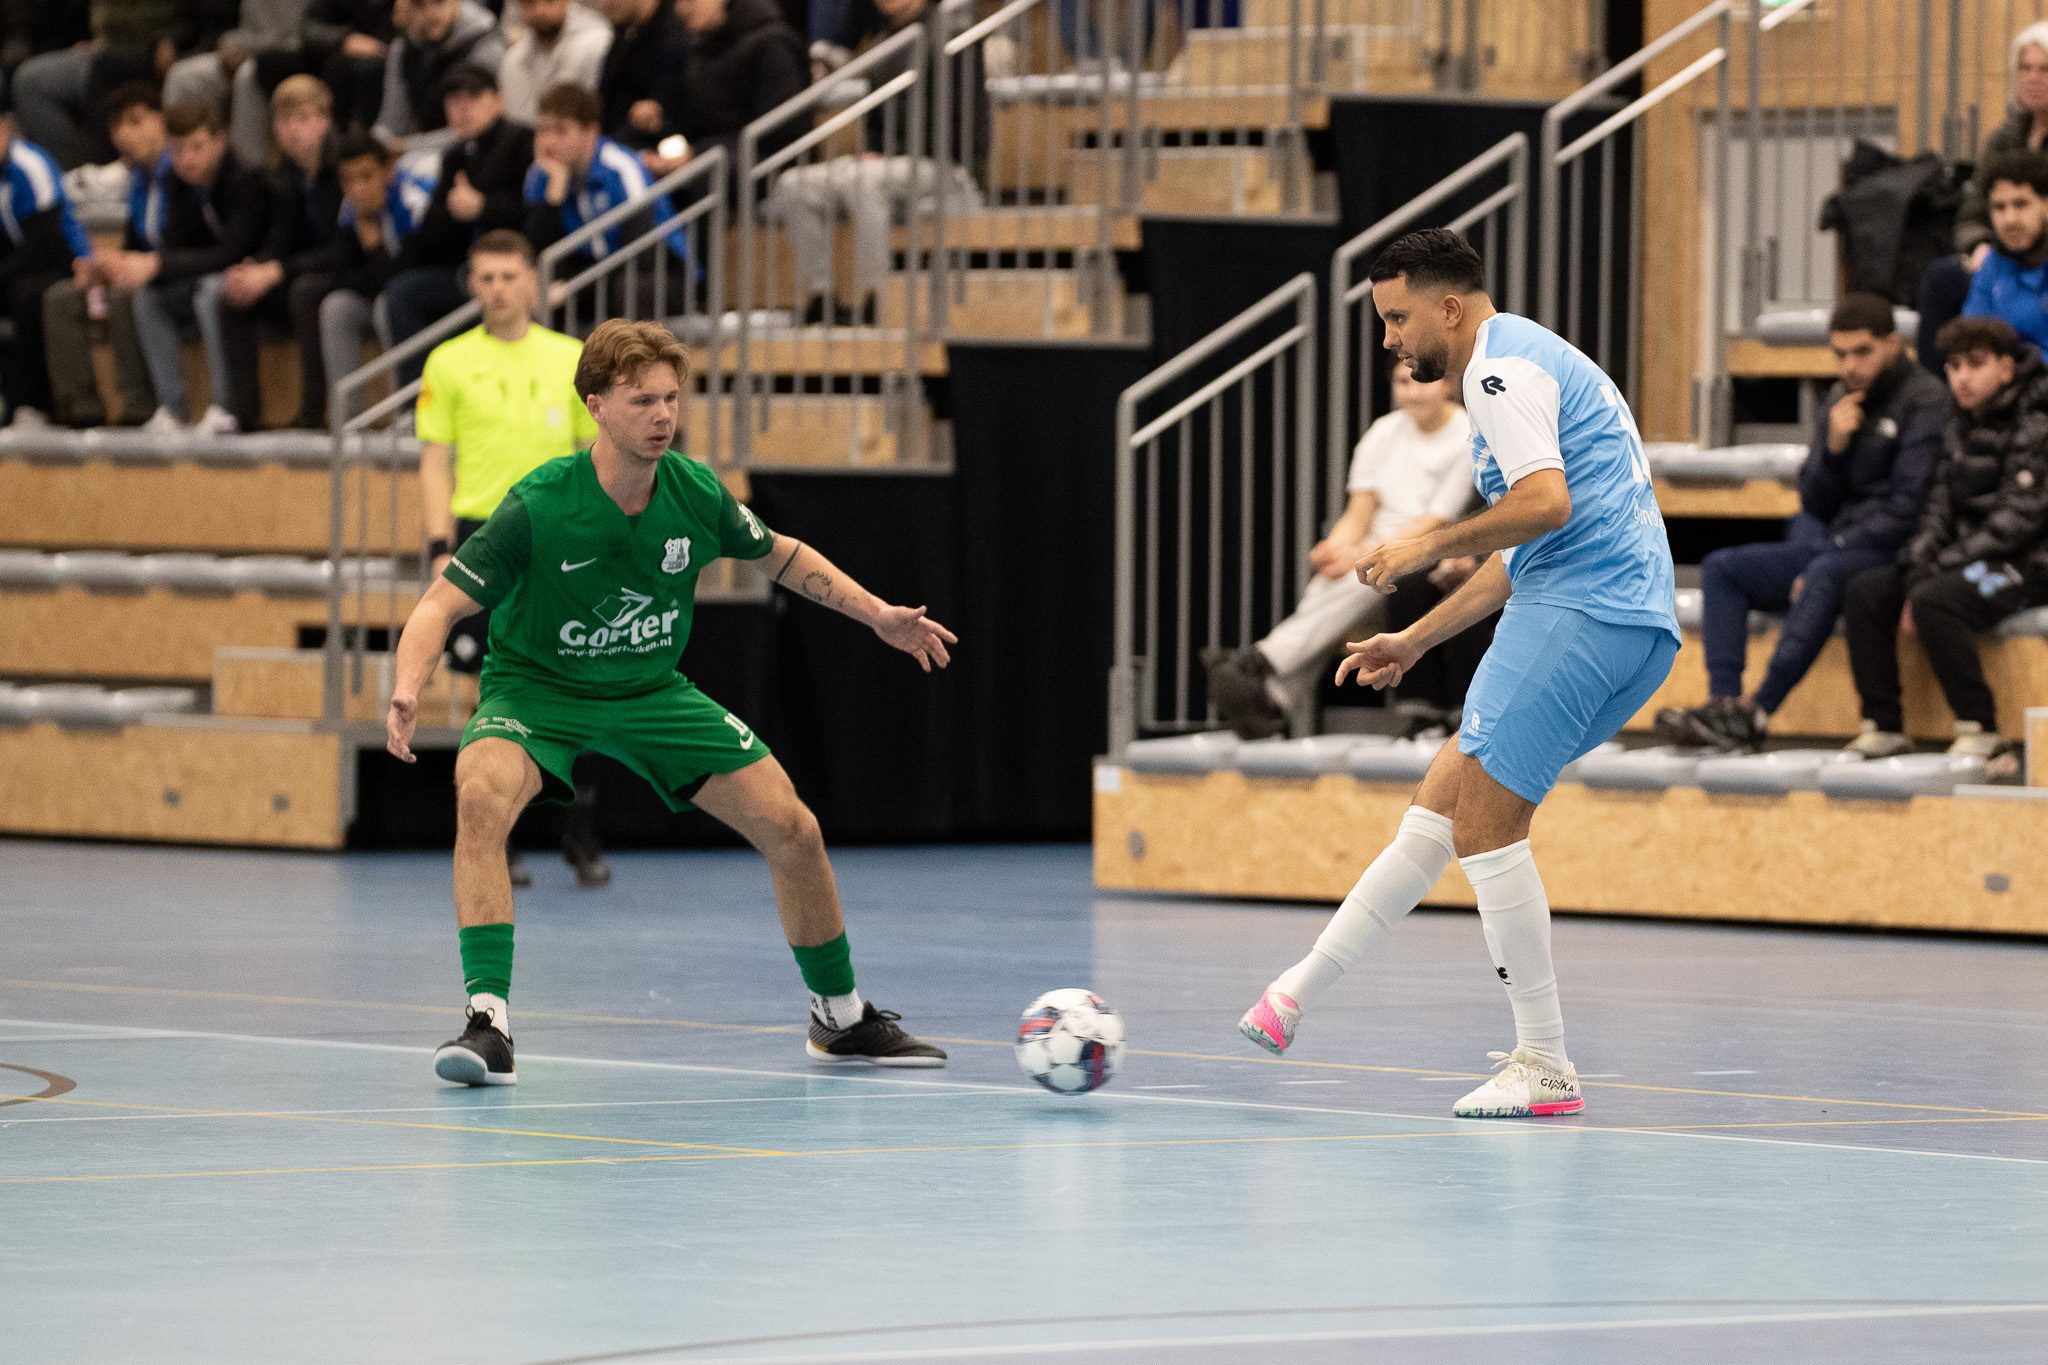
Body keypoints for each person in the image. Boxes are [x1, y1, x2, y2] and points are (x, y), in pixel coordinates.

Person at [384, 317, 958, 1084]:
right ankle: (489, 1023)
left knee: (794, 826)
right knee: (480, 795)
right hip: (537, 689)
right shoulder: (541, 504)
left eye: (670, 399)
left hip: (650, 690)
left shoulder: (692, 491)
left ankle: (840, 1017)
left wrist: (878, 613)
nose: (662, 416)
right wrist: (407, 684)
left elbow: (780, 555)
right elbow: (439, 605)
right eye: (641, 401)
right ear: (596, 406)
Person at [1235, 229, 1679, 1120]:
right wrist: (1416, 638)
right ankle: (1295, 993)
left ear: (1449, 306)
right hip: (1629, 622)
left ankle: (1546, 1062)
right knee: (1441, 804)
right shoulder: (1527, 357)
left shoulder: (1496, 373)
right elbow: (1526, 546)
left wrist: (1422, 544)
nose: (1390, 339)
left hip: (1580, 613)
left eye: (1398, 318)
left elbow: (1544, 504)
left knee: (1485, 827)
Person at [1656, 293, 1948, 751]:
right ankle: (1723, 704)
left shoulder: (1926, 400)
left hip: (1893, 549)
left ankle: (1757, 711)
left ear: (1893, 344)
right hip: (1835, 542)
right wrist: (1833, 450)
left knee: (1825, 572)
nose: (1850, 366)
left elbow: (1908, 510)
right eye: (1840, 354)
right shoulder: (1838, 400)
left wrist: (1828, 554)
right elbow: (1814, 502)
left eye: (1863, 352)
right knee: (1722, 568)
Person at [413, 228, 613, 884]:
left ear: (532, 280)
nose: (498, 289)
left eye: (509, 276)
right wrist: (440, 546)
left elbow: (594, 458)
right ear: (473, 286)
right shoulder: (448, 362)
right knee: (489, 693)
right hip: (483, 533)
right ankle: (497, 840)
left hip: (558, 536)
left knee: (581, 678)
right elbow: (435, 458)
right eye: (487, 278)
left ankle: (580, 836)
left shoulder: (571, 358)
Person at [1203, 359, 1473, 738]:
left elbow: (1436, 521)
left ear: (1447, 385)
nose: (1410, 392)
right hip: (1373, 547)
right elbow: (1359, 511)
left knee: (1360, 578)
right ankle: (1273, 699)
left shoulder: (1466, 436)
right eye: (1401, 382)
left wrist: (1362, 553)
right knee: (1330, 580)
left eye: (1420, 381)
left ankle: (1262, 662)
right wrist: (1335, 548)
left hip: (1427, 550)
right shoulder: (1383, 431)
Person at [1841, 316, 2048, 779]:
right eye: (1954, 366)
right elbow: (1937, 507)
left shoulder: (2038, 422)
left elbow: (2018, 522)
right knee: (1866, 591)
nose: (1962, 378)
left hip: (2029, 564)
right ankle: (1883, 724)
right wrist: (1920, 564)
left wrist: (1936, 571)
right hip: (1969, 557)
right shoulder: (1958, 421)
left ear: (2006, 369)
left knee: (1935, 600)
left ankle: (1984, 732)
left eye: (1975, 364)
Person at [766, 0, 979, 327]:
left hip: (944, 165)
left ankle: (878, 297)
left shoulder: (954, 35)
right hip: (890, 166)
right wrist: (874, 152)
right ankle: (822, 299)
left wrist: (892, 155)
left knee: (863, 179)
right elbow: (875, 121)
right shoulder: (882, 39)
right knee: (794, 185)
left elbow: (962, 125)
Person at [119, 99, 272, 435]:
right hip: (208, 274)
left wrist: (159, 263)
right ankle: (172, 408)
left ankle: (224, 407)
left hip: (256, 281)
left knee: (210, 292)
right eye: (177, 149)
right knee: (148, 297)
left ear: (220, 141)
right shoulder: (177, 183)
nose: (187, 159)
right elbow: (180, 247)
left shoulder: (246, 179)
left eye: (197, 147)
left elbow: (232, 252)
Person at [383, 64, 535, 385]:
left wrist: (483, 208)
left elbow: (535, 216)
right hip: (465, 271)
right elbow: (430, 234)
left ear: (498, 101)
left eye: (473, 97)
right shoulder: (454, 155)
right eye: (453, 100)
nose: (462, 108)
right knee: (402, 291)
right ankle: (416, 398)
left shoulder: (523, 141)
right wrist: (454, 211)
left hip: (512, 272)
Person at [1916, 22, 2048, 372]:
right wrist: (1979, 243)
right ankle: (1939, 389)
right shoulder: (2004, 139)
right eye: (2025, 68)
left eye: (2044, 69)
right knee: (1943, 278)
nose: (2033, 78)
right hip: (2002, 253)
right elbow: (1972, 210)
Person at [212, 74, 341, 431]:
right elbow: (282, 239)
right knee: (234, 293)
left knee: (306, 293)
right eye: (284, 121)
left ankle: (313, 416)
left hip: (345, 271)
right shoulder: (283, 174)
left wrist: (276, 270)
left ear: (325, 122)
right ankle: (243, 417)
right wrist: (256, 268)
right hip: (303, 270)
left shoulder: (345, 166)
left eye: (303, 118)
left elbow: (342, 250)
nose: (293, 130)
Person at [39, 82, 167, 428]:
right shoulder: (139, 180)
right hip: (144, 267)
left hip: (169, 272)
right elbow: (135, 242)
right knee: (62, 296)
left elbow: (184, 240)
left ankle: (138, 406)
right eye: (117, 125)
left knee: (127, 295)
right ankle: (81, 409)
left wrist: (141, 265)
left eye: (136, 121)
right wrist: (105, 266)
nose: (124, 134)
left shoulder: (179, 171)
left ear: (162, 121)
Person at [524, 82, 690, 321]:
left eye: (561, 131)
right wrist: (554, 194)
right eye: (543, 130)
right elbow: (542, 253)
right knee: (530, 293)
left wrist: (573, 287)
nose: (549, 142)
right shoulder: (541, 174)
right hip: (596, 277)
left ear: (591, 132)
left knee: (630, 288)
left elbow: (641, 253)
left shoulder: (621, 167)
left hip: (662, 273)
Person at [318, 130, 434, 422]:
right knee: (336, 307)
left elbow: (406, 278)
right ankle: (350, 421)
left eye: (366, 177)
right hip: (384, 288)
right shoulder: (349, 208)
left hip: (424, 298)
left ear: (388, 171)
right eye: (348, 180)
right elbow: (341, 275)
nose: (357, 189)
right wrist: (374, 260)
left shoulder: (414, 200)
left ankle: (405, 415)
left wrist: (373, 247)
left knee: (389, 304)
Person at [0, 98, 90, 430]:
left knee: (26, 295)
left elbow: (44, 246)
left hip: (66, 262)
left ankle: (33, 405)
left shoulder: (31, 166)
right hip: (19, 266)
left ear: (6, 129)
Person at [160, 0, 309, 168]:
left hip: (288, 55)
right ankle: (171, 161)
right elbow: (244, 29)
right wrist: (231, 44)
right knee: (181, 75)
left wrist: (245, 45)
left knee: (245, 75)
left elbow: (293, 37)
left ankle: (248, 166)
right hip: (247, 48)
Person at [372, 0, 508, 153]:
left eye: (439, 2)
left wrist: (405, 146)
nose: (431, 14)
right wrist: (373, 146)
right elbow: (391, 122)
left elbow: (478, 127)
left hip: (478, 151)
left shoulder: (485, 44)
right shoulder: (402, 49)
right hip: (418, 149)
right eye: (420, 5)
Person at [1958, 150, 2048, 354]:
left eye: (2021, 204)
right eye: (1999, 207)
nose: (2010, 220)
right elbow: (1972, 339)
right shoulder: (1993, 263)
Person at [500, 0, 615, 126]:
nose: (540, 11)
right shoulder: (513, 60)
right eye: (530, 3)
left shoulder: (597, 43)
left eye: (549, 1)